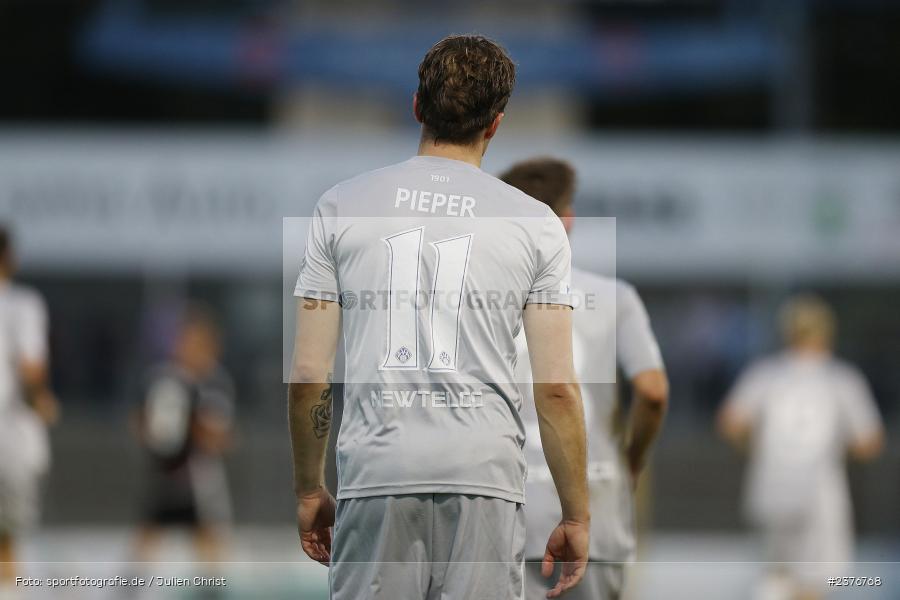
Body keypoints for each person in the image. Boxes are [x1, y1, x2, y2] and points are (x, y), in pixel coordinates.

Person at [288, 35, 590, 600]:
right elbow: (555, 390)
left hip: (377, 475)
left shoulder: (341, 205)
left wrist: (310, 490)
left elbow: (309, 375)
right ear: (495, 124)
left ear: (417, 107)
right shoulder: (537, 223)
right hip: (485, 478)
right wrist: (576, 515)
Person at [500, 158, 669, 600]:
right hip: (594, 506)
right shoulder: (616, 298)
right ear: (568, 220)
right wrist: (630, 459)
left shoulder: (479, 302)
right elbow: (653, 392)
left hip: (505, 508)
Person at [717, 295, 885, 600]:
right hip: (819, 493)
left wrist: (753, 446)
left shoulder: (765, 374)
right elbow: (869, 441)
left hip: (771, 485)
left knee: (776, 577)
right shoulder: (841, 378)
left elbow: (730, 422)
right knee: (813, 584)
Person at [132, 305, 235, 563]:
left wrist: (192, 424)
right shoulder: (162, 378)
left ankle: (211, 590)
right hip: (166, 476)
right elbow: (141, 422)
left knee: (208, 543)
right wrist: (158, 436)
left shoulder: (214, 383)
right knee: (147, 536)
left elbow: (219, 435)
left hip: (200, 480)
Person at [0, 226, 58, 589]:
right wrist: (42, 402)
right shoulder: (22, 304)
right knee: (8, 540)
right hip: (10, 439)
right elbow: (30, 368)